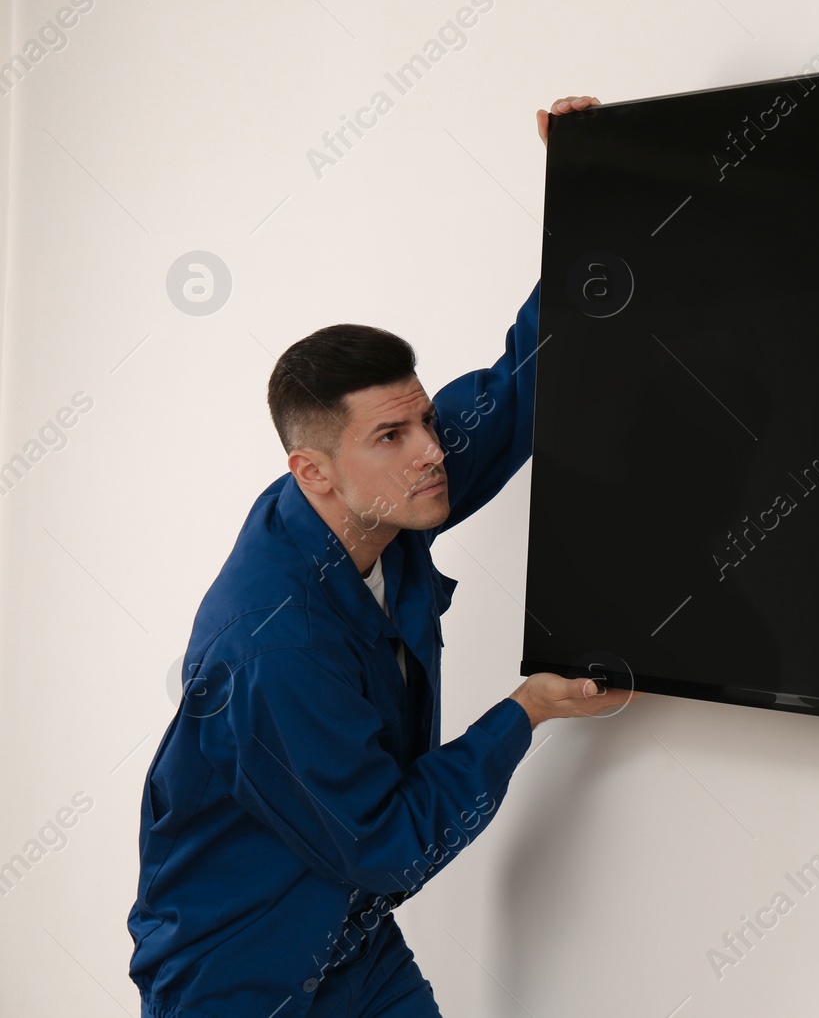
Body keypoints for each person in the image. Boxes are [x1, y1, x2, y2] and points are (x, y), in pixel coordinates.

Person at [127, 96, 628, 1018]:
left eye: (425, 418)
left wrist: (585, 190)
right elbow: (393, 840)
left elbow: (525, 383)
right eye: (393, 434)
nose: (432, 450)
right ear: (312, 470)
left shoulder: (387, 496)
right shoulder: (271, 642)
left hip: (352, 942)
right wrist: (527, 710)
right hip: (238, 981)